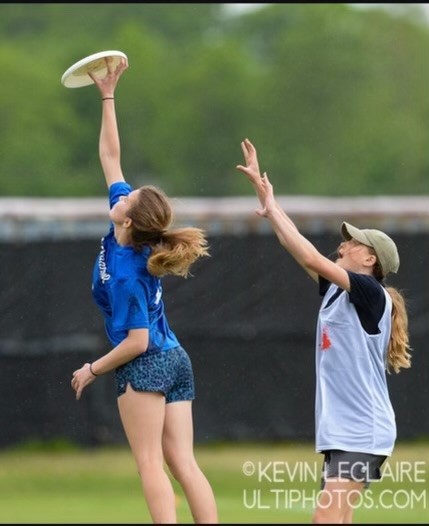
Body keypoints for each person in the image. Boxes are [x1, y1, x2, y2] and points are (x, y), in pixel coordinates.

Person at [71, 57, 218, 525]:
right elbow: (111, 157)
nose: (122, 194)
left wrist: (92, 369)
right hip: (175, 358)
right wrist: (108, 97)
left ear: (129, 219)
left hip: (147, 362)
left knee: (152, 463)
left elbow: (135, 342)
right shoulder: (125, 225)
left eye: (130, 198)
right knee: (183, 463)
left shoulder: (131, 272)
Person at [236, 138, 412, 524]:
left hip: (362, 429)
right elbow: (297, 248)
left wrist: (272, 205)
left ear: (369, 259)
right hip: (344, 430)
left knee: (325, 519)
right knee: (339, 520)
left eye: (354, 242)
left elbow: (310, 255)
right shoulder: (338, 291)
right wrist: (269, 203)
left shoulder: (370, 292)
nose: (344, 243)